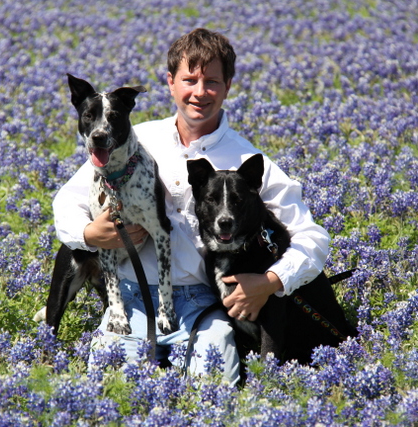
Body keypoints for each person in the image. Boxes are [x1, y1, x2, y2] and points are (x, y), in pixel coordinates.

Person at [52, 28, 330, 385]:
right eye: (190, 79)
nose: (200, 92)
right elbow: (67, 202)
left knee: (213, 391)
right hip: (131, 298)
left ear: (229, 85)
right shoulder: (135, 141)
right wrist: (89, 233)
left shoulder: (249, 162)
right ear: (170, 82)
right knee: (112, 393)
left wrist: (271, 281)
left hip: (206, 305)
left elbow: (312, 238)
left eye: (212, 81)